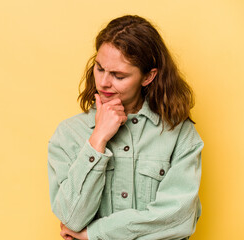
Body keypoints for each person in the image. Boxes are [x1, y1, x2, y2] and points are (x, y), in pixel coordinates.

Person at [48, 15, 203, 240]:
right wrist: (98, 139)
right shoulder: (69, 134)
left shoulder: (180, 134)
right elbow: (71, 219)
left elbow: (179, 218)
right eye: (99, 68)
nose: (103, 83)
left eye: (118, 75)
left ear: (148, 76)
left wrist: (95, 234)